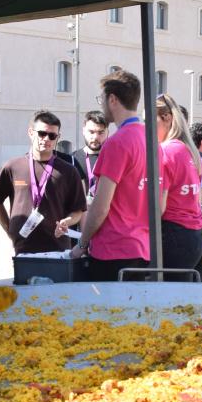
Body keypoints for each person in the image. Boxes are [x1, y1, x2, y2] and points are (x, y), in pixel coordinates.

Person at [68, 70, 150, 281]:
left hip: (112, 251)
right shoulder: (151, 142)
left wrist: (82, 245)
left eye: (102, 99)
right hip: (144, 249)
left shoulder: (117, 143)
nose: (102, 104)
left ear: (112, 99)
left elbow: (101, 206)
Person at [0, 109, 86, 255]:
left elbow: (78, 211)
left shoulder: (69, 171)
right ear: (31, 133)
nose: (46, 139)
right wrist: (11, 230)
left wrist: (67, 221)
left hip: (57, 249)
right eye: (42, 133)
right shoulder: (11, 167)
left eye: (52, 136)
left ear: (57, 138)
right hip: (23, 250)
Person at [156, 94, 202, 281]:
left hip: (176, 235)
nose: (145, 127)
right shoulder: (189, 149)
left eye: (149, 121)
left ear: (168, 119)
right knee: (192, 305)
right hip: (199, 235)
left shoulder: (165, 151)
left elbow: (159, 207)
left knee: (173, 305)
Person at [73, 110, 108, 196]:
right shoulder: (72, 160)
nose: (95, 137)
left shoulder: (115, 160)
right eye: (91, 132)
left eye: (101, 132)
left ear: (107, 132)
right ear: (84, 131)